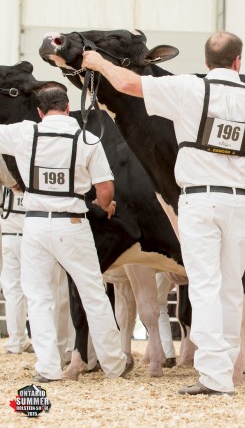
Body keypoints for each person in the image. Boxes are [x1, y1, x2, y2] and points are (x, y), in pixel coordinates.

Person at [82, 31, 245, 396]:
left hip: (199, 201)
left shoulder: (189, 88)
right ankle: (225, 370)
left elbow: (129, 84)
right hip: (241, 204)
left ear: (206, 62)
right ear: (238, 62)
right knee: (232, 287)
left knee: (206, 285)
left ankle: (214, 376)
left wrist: (98, 62)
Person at [0, 87, 131, 382]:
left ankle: (47, 368)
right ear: (68, 107)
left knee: (38, 297)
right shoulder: (87, 139)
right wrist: (104, 204)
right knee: (93, 293)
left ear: (39, 111)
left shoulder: (25, 133)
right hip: (72, 223)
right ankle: (114, 365)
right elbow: (105, 189)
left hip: (34, 224)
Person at [0, 162, 33, 355]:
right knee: (38, 291)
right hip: (32, 234)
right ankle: (40, 343)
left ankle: (17, 340)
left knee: (13, 290)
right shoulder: (31, 161)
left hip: (10, 234)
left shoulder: (5, 166)